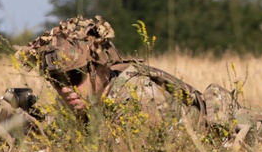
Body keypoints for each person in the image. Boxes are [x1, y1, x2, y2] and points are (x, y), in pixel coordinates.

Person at [19, 15, 236, 135]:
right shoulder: (93, 98)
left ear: (101, 67)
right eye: (57, 82)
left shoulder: (137, 98)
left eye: (75, 77)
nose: (66, 89)